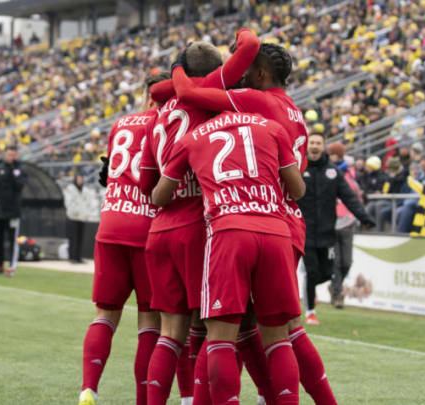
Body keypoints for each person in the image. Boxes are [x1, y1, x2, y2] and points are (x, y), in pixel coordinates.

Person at [171, 42, 339, 405]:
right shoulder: (292, 110)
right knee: (265, 328)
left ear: (260, 74)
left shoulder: (257, 103)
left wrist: (185, 65)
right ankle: (278, 397)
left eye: (246, 69)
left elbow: (189, 92)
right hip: (282, 220)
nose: (240, 76)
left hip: (253, 217)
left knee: (225, 330)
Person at [152, 110, 306, 405]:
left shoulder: (192, 137)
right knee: (279, 340)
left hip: (228, 233)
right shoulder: (271, 127)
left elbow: (160, 196)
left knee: (220, 338)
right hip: (275, 232)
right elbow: (297, 189)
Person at [140, 31, 258, 405]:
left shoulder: (158, 114)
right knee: (218, 328)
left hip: (160, 227)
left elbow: (147, 182)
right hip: (200, 223)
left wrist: (175, 69)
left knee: (169, 332)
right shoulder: (210, 91)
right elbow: (250, 48)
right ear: (217, 71)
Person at [78, 73, 167, 405]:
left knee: (105, 313)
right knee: (149, 318)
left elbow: (112, 170)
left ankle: (89, 387)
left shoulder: (121, 124)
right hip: (146, 226)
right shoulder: (166, 123)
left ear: (146, 95)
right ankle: (143, 399)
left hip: (111, 221)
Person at [298, 133, 374, 325]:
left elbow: (349, 197)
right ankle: (310, 312)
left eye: (318, 143)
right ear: (307, 146)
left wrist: (364, 218)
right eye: (312, 143)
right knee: (312, 272)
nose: (314, 146)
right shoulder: (299, 169)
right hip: (304, 233)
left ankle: (314, 291)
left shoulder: (333, 172)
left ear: (323, 147)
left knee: (328, 273)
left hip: (327, 234)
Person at [327, 142, 363, 309]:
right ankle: (337, 293)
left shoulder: (349, 175)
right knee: (336, 260)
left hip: (348, 222)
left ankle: (335, 287)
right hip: (331, 223)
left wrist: (359, 215)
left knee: (347, 262)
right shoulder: (325, 172)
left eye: (334, 154)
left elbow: (356, 196)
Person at [0, 145, 27, 277]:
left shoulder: (20, 169)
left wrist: (12, 172)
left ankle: (11, 267)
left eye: (13, 154)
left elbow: (19, 186)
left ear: (16, 155)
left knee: (12, 240)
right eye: (8, 154)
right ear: (5, 154)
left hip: (13, 211)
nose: (10, 157)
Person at [63, 173, 91, 264]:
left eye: (81, 179)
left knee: (80, 238)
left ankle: (78, 257)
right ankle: (72, 257)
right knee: (73, 239)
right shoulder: (70, 189)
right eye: (78, 179)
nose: (80, 180)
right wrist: (73, 212)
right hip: (72, 217)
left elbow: (87, 203)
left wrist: (86, 213)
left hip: (82, 217)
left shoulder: (85, 190)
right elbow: (68, 202)